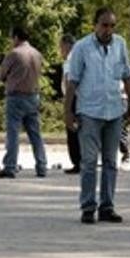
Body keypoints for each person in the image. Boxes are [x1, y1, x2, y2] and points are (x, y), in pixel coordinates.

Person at [64, 8, 130, 224]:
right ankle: (88, 206)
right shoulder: (81, 48)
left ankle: (107, 206)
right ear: (95, 25)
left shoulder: (120, 44)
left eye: (112, 26)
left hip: (114, 110)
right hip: (89, 111)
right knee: (88, 161)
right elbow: (73, 81)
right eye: (104, 25)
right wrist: (67, 111)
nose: (108, 30)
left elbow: (127, 76)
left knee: (110, 161)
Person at [0, 26, 47, 178]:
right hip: (33, 95)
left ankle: (10, 166)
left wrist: (0, 66)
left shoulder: (14, 54)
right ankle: (41, 165)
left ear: (16, 37)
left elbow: (1, 75)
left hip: (16, 96)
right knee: (35, 133)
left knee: (13, 133)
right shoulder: (37, 54)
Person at [49, 34, 81, 174]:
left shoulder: (70, 60)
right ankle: (83, 161)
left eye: (61, 47)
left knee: (72, 132)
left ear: (67, 45)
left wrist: (67, 105)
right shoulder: (80, 56)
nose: (60, 50)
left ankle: (77, 162)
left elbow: (69, 81)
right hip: (82, 98)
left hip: (74, 98)